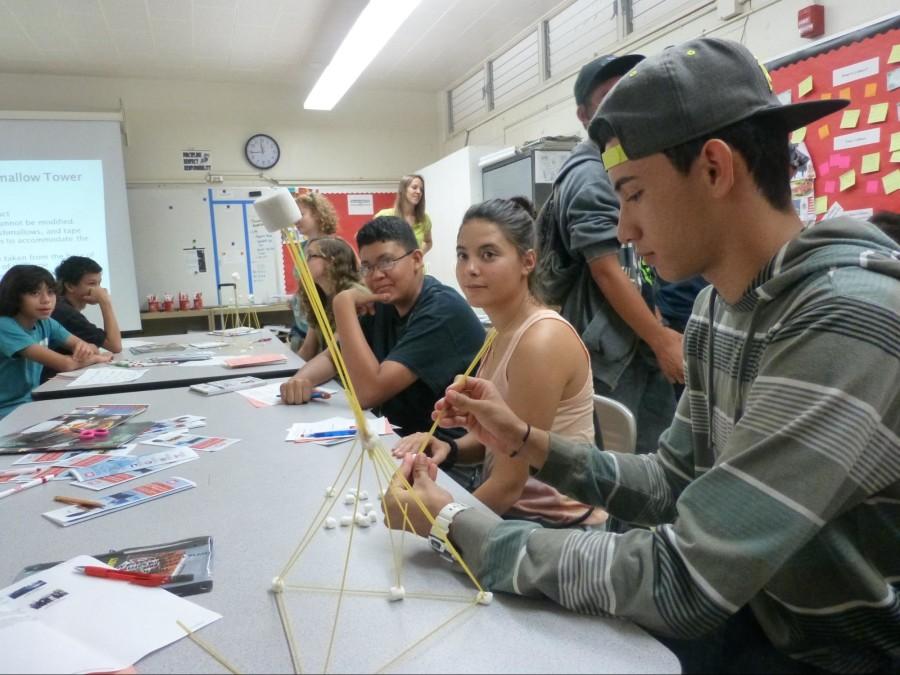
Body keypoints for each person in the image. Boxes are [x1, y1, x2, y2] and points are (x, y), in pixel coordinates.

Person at [382, 38, 900, 674]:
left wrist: (457, 523)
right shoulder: (720, 307)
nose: (623, 229)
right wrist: (523, 440)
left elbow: (685, 583)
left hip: (846, 655)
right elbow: (671, 485)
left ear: (713, 169)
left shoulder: (847, 318)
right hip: (764, 617)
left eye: (632, 194)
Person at [392, 199, 604, 527]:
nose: (470, 268)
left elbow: (509, 484)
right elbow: (502, 439)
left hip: (554, 527)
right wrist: (450, 448)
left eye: (488, 255)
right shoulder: (499, 333)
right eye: (463, 255)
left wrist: (437, 523)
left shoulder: (540, 341)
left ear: (527, 262)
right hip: (514, 512)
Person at [538, 52, 682, 454]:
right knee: (623, 465)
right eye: (609, 94)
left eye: (630, 89)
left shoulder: (617, 165)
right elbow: (606, 270)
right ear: (584, 115)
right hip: (613, 356)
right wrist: (660, 339)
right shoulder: (589, 175)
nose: (624, 100)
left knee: (657, 456)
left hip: (633, 343)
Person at [279, 216, 484, 455]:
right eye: (367, 266)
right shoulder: (383, 302)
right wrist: (301, 380)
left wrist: (343, 304)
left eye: (386, 261)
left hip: (443, 456)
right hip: (395, 441)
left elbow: (368, 393)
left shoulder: (441, 309)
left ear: (416, 260)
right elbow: (332, 357)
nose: (376, 275)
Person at [0, 265, 112, 418]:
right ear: (14, 296)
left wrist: (88, 349)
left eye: (50, 292)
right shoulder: (4, 325)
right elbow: (65, 364)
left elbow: (87, 347)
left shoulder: (45, 322)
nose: (46, 300)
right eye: (34, 293)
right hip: (6, 411)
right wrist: (95, 358)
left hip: (30, 403)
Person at [43, 256, 122, 382]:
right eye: (92, 284)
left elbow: (94, 348)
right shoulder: (65, 312)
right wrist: (105, 302)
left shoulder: (63, 306)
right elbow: (115, 346)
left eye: (99, 283)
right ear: (70, 286)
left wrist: (93, 349)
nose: (99, 290)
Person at [296, 236, 366, 361]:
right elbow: (308, 349)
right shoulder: (319, 295)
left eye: (311, 256)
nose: (304, 263)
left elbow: (332, 354)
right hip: (330, 374)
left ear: (332, 261)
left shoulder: (352, 296)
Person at [289, 191, 339, 353]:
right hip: (302, 325)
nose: (296, 220)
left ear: (317, 214)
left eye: (301, 214)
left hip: (324, 328)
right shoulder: (303, 248)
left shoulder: (334, 246)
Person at [375, 175, 433, 254]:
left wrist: (419, 254)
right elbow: (369, 241)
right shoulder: (384, 216)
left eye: (421, 189)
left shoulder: (424, 219)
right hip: (393, 266)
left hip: (416, 266)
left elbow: (428, 242)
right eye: (414, 187)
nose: (419, 192)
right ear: (403, 190)